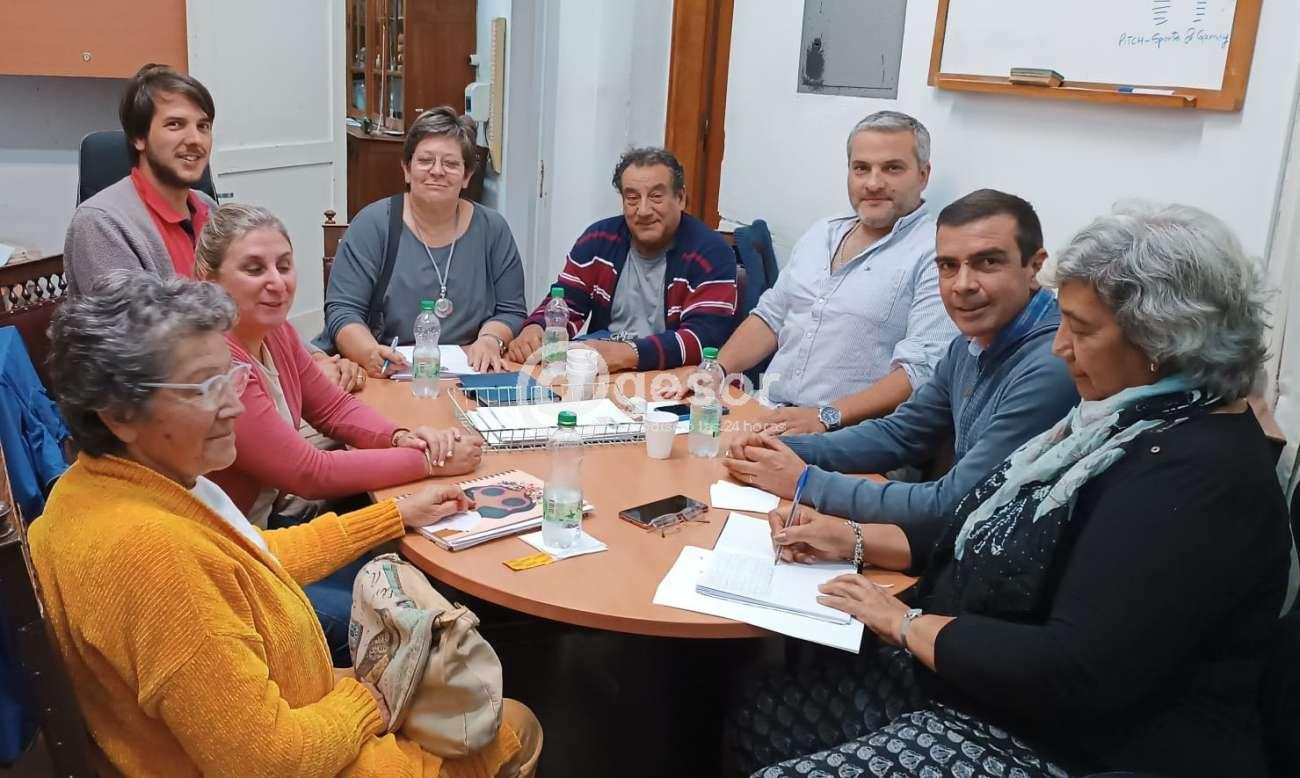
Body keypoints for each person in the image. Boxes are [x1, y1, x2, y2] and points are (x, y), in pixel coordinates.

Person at [731, 202, 1294, 778]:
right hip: (986, 685)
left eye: (1081, 330)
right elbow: (989, 527)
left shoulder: (1198, 475)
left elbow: (1072, 670)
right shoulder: (1120, 421)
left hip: (1065, 744)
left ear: (1163, 340)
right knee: (752, 706)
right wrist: (850, 538)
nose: (1061, 346)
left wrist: (903, 624)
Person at [29, 273, 542, 777]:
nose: (235, 405)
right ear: (118, 414)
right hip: (299, 754)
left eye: (231, 377)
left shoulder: (90, 489)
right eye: (206, 388)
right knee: (513, 725)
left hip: (276, 721)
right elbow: (271, 762)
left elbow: (255, 557)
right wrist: (368, 698)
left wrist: (395, 515)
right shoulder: (155, 558)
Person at [194, 204, 483, 665]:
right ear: (209, 279)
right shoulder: (216, 360)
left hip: (268, 535)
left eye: (284, 265)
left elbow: (331, 407)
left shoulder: (275, 332)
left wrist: (401, 436)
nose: (276, 282)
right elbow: (308, 472)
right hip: (233, 563)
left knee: (413, 581)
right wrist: (429, 461)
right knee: (404, 617)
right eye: (254, 269)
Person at [724, 189, 1078, 539]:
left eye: (988, 262)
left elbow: (953, 504)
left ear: (1035, 267)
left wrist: (805, 481)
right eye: (948, 266)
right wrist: (780, 447)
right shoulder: (970, 343)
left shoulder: (1052, 365)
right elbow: (902, 433)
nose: (963, 285)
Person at [671, 111, 957, 433]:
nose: (873, 183)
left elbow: (919, 372)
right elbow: (771, 316)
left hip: (849, 435)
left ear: (923, 175)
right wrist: (716, 371)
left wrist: (824, 417)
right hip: (768, 412)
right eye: (861, 168)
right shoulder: (822, 233)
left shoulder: (938, 253)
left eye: (892, 168)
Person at [314, 106, 528, 375]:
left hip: (472, 372)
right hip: (385, 372)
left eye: (451, 164)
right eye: (425, 160)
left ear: (467, 176)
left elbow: (511, 310)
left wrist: (490, 340)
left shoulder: (493, 229)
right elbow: (343, 311)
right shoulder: (372, 225)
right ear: (406, 169)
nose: (437, 171)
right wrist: (370, 353)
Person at [505, 147, 738, 373]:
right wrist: (536, 328)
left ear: (680, 198)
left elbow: (703, 339)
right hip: (606, 375)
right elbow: (566, 302)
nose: (643, 210)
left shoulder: (710, 252)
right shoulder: (598, 240)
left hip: (674, 381)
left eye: (656, 196)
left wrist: (627, 353)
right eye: (632, 198)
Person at [64, 63, 216, 296]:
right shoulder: (101, 224)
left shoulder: (210, 209)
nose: (196, 139)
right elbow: (132, 319)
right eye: (175, 124)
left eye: (203, 126)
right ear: (138, 137)